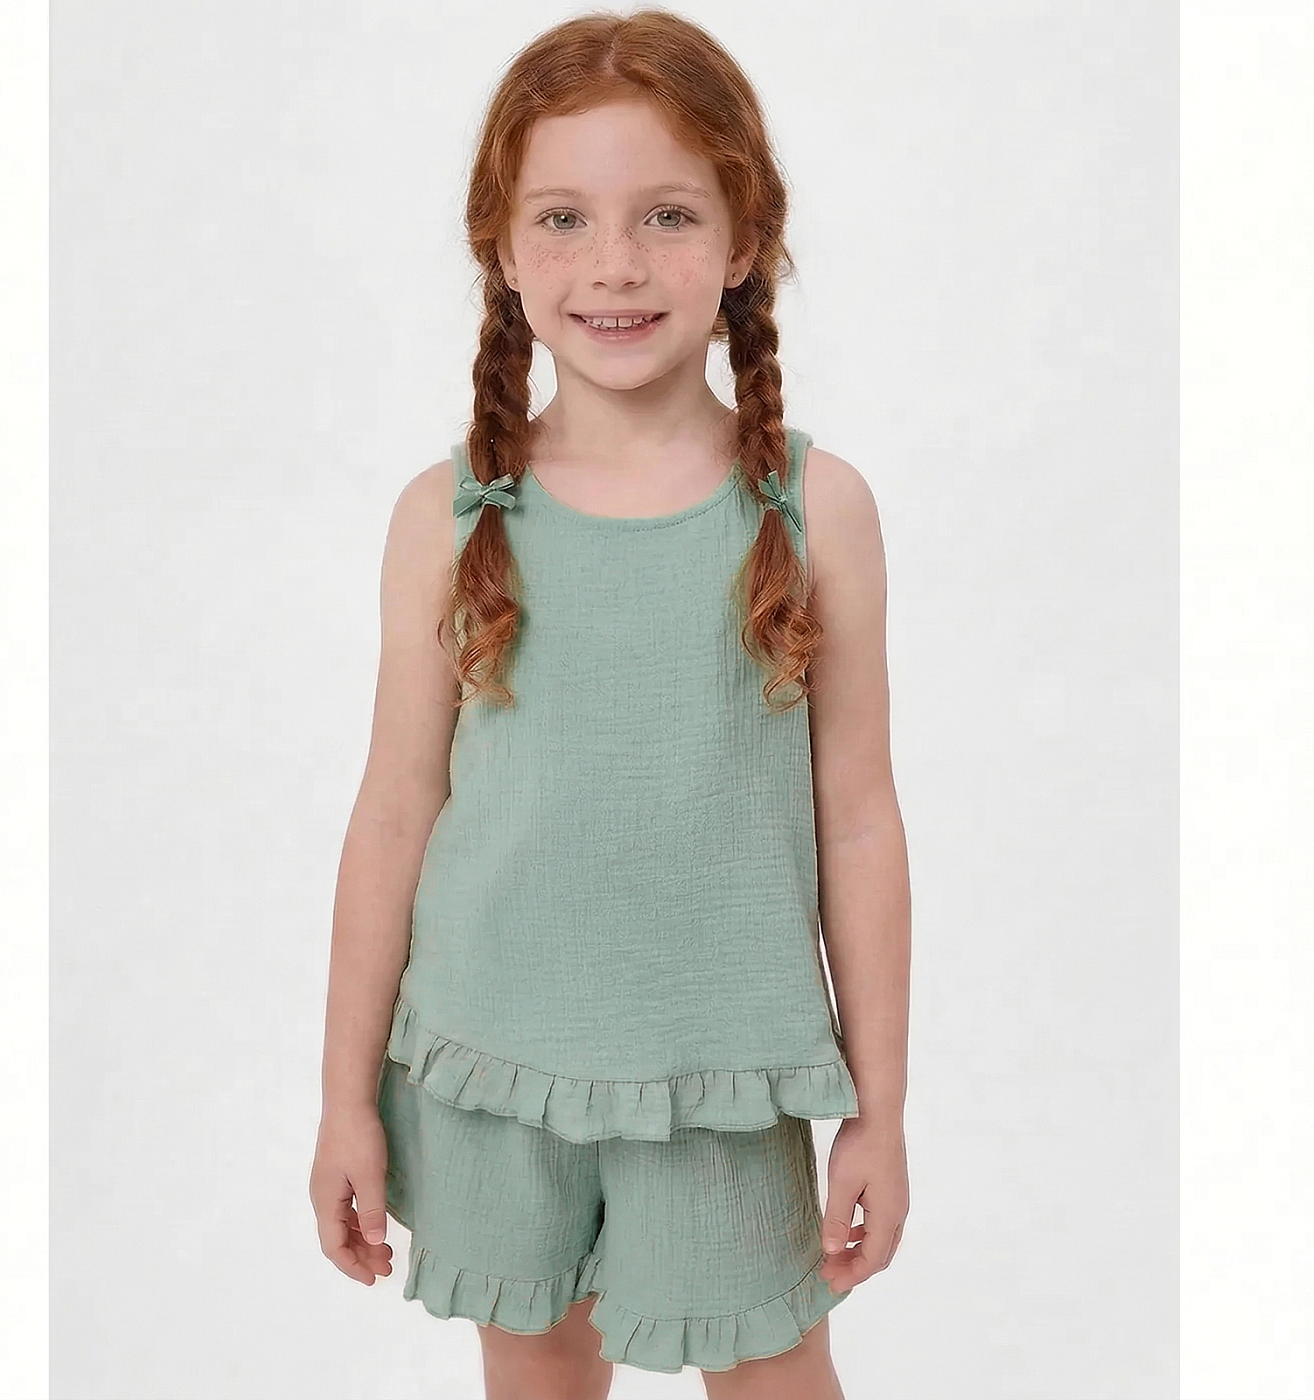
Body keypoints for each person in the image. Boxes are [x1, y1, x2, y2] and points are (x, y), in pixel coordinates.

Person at [309, 10, 911, 1398]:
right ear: (503, 248)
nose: (616, 265)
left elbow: (859, 823)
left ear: (746, 240)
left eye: (668, 215)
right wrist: (343, 1098)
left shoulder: (815, 512)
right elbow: (394, 812)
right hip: (490, 1073)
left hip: (723, 1084)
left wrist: (879, 1112)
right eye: (565, 218)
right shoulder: (449, 514)